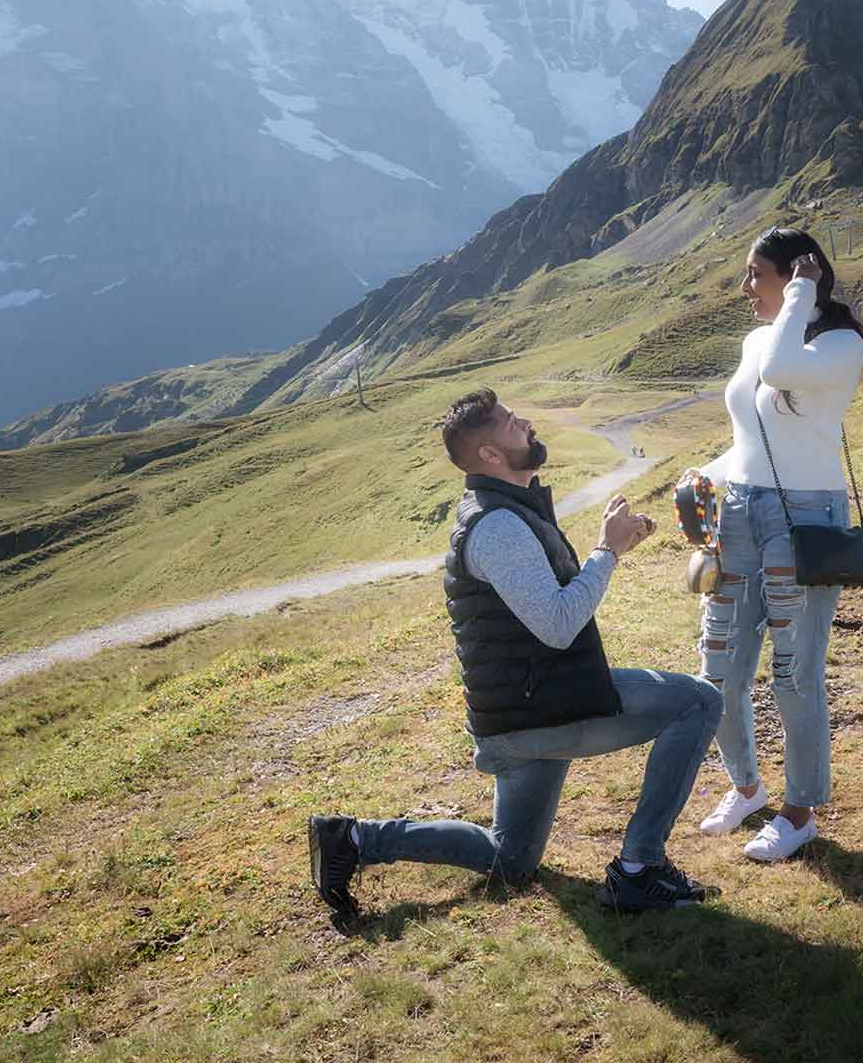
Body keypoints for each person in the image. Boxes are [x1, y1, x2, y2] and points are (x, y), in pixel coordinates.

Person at [310, 389, 724, 921]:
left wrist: (614, 549)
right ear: (489, 455)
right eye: (510, 422)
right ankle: (641, 870)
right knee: (698, 703)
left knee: (511, 858)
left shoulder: (508, 511)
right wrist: (607, 551)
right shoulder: (497, 525)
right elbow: (556, 624)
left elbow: (542, 607)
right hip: (535, 714)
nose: (525, 422)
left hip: (524, 709)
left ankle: (353, 839)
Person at [679, 228, 863, 862]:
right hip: (738, 512)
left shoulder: (840, 343)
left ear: (798, 278)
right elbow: (750, 433)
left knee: (794, 673)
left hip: (804, 520)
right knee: (719, 670)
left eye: (756, 275)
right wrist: (704, 476)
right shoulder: (755, 338)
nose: (746, 289)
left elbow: (780, 370)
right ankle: (745, 787)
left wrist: (800, 295)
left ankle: (799, 812)